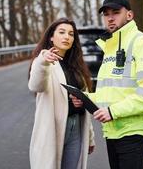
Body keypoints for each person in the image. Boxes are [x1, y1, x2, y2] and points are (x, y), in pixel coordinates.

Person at [72, 0, 143, 169]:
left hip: (134, 132)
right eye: (106, 14)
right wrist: (85, 98)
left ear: (129, 15)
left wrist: (113, 112)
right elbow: (110, 93)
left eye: (116, 12)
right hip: (112, 131)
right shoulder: (110, 48)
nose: (110, 18)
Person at [28, 18, 95, 169]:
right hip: (52, 130)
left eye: (71, 34)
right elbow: (35, 86)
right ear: (51, 36)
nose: (67, 37)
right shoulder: (44, 62)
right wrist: (42, 62)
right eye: (62, 32)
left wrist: (90, 138)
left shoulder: (77, 66)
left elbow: (84, 100)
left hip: (76, 129)